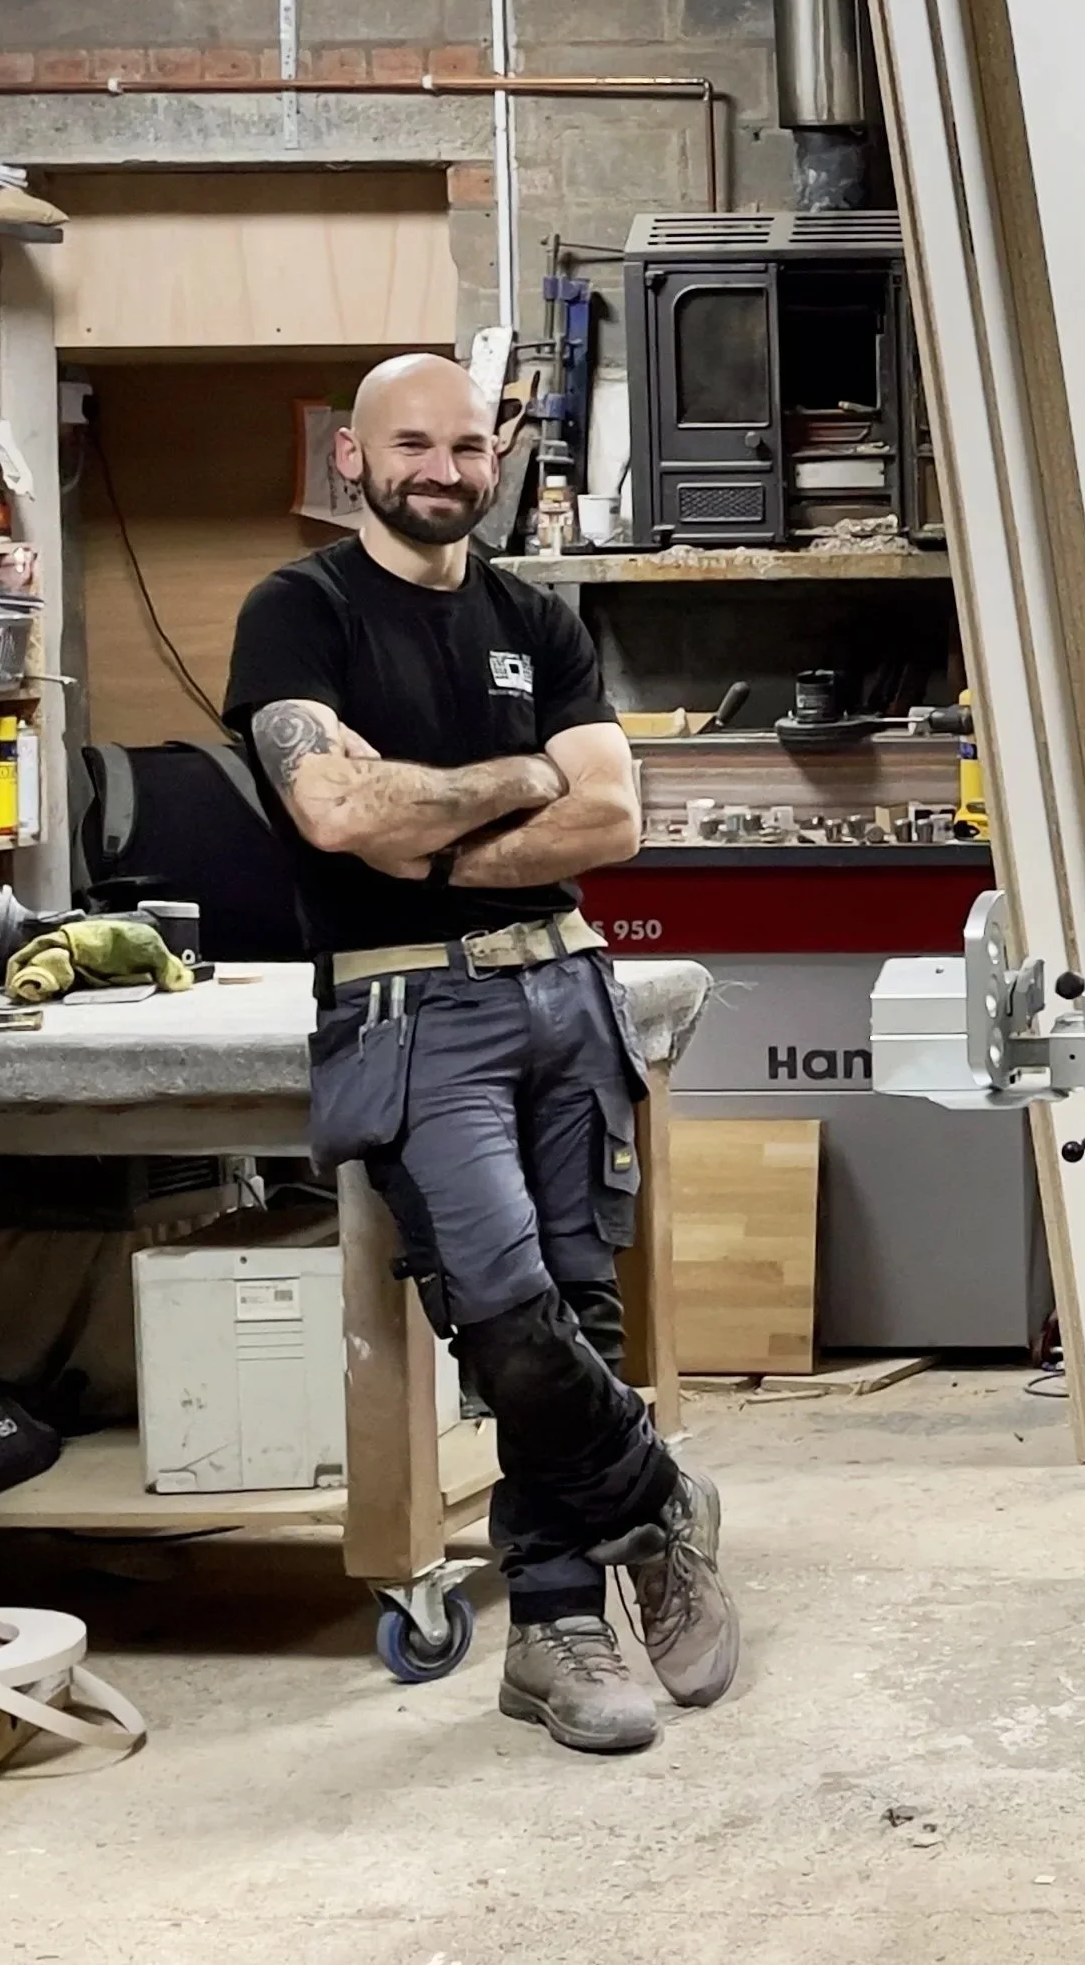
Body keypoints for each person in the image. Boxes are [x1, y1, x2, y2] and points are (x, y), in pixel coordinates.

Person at [223, 351, 738, 1754]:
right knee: (506, 1318)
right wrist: (523, 777)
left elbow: (612, 820)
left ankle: (553, 1632)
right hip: (406, 1010)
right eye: (412, 445)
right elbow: (335, 813)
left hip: (564, 986)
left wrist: (436, 836)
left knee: (581, 1310)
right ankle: (653, 1507)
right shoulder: (300, 613)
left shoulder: (535, 618)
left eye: (466, 447)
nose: (443, 471)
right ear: (353, 458)